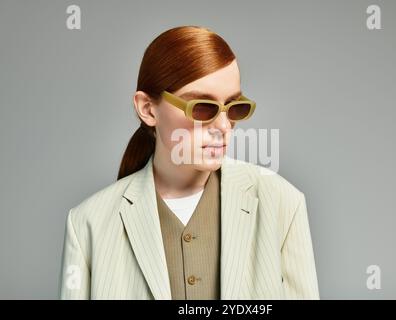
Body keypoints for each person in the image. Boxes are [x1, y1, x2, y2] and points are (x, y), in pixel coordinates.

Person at [59, 25, 320, 300]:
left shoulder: (283, 203)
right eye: (202, 107)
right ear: (148, 109)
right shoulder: (88, 224)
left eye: (235, 107)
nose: (223, 126)